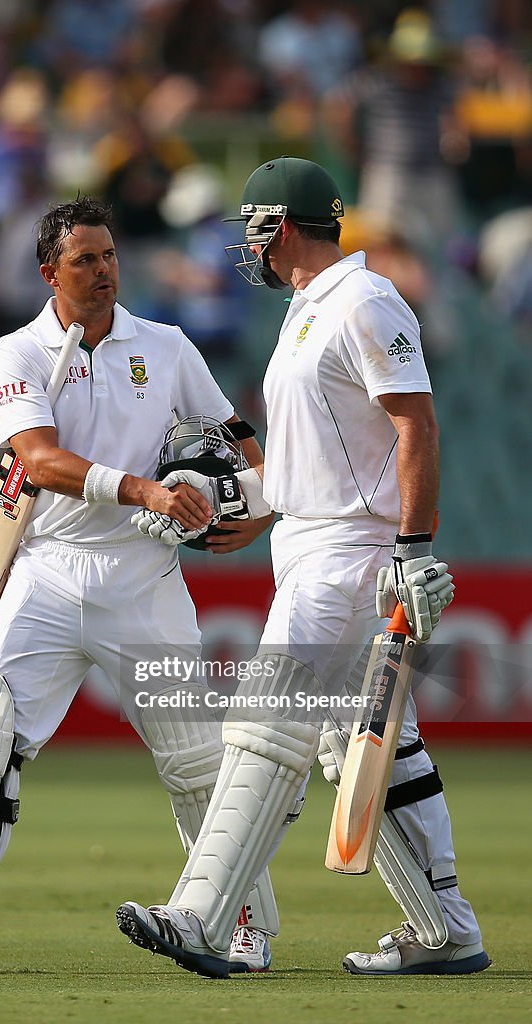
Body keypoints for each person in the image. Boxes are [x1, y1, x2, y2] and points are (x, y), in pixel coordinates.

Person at [0, 195, 277, 974]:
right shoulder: (16, 352)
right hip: (47, 573)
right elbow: (38, 461)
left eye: (110, 256)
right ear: (47, 272)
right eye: (84, 260)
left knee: (195, 762)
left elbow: (236, 440)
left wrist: (258, 512)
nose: (103, 272)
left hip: (144, 578)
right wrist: (145, 489)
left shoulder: (165, 346)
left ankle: (242, 928)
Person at [117, 157, 491, 977]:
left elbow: (415, 428)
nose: (244, 245)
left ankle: (203, 918)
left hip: (350, 556)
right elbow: (314, 462)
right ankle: (446, 933)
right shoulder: (306, 309)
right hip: (311, 543)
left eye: (251, 226)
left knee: (263, 722)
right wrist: (233, 503)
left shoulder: (364, 299)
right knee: (363, 746)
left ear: (280, 225)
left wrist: (413, 548)